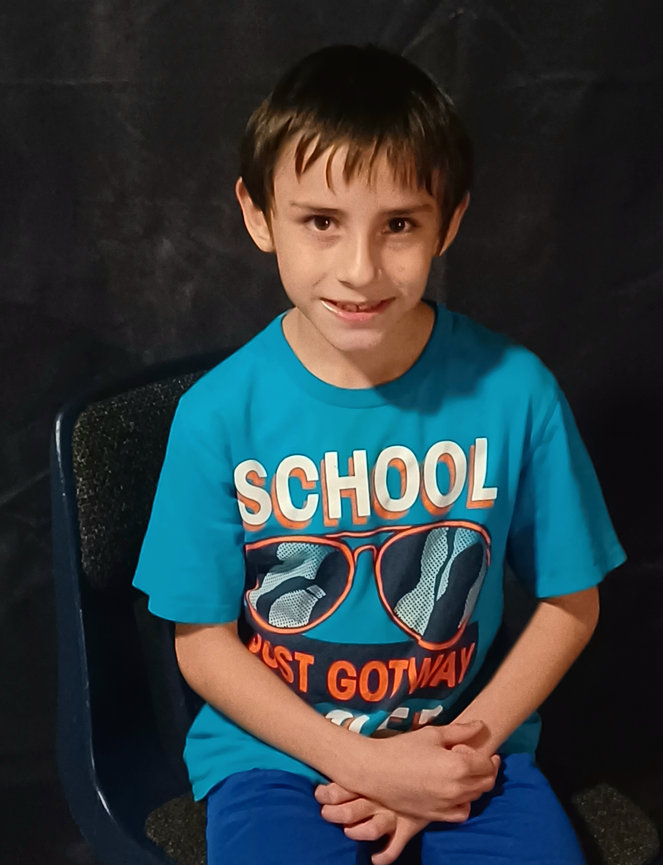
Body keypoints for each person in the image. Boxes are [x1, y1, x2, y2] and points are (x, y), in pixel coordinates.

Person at [133, 44, 625, 865]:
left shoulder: (516, 393)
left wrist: (449, 760)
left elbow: (572, 603)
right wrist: (365, 764)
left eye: (398, 224)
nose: (359, 270)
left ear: (449, 222)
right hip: (277, 758)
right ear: (258, 216)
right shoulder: (218, 413)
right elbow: (201, 642)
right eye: (321, 221)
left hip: (466, 748)